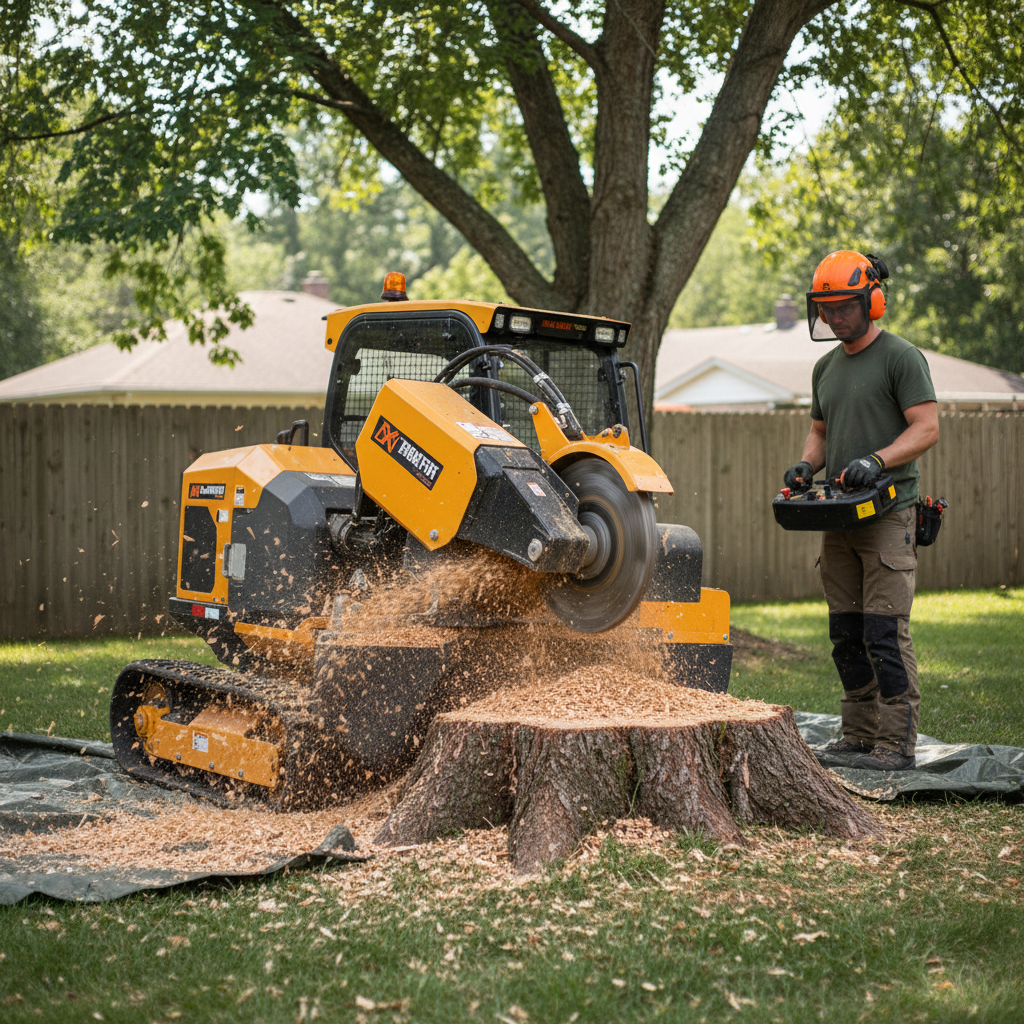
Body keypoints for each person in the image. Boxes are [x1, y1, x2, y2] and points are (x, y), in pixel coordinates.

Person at [784, 250, 939, 771]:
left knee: (884, 632)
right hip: (840, 516)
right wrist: (806, 467)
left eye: (844, 306)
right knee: (846, 633)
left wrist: (878, 459)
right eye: (826, 308)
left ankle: (896, 745)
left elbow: (926, 428)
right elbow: (820, 433)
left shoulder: (901, 357)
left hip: (889, 515)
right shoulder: (825, 367)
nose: (834, 317)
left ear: (872, 300)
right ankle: (857, 736)